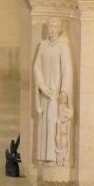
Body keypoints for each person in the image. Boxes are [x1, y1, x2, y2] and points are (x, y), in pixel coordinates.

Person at [33, 18, 73, 165]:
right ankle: (44, 156)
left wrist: (64, 91)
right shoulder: (43, 45)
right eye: (50, 25)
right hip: (45, 91)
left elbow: (67, 69)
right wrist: (42, 86)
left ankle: (52, 156)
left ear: (59, 29)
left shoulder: (63, 46)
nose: (52, 28)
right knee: (44, 123)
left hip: (56, 93)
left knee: (52, 122)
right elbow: (36, 67)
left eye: (55, 25)